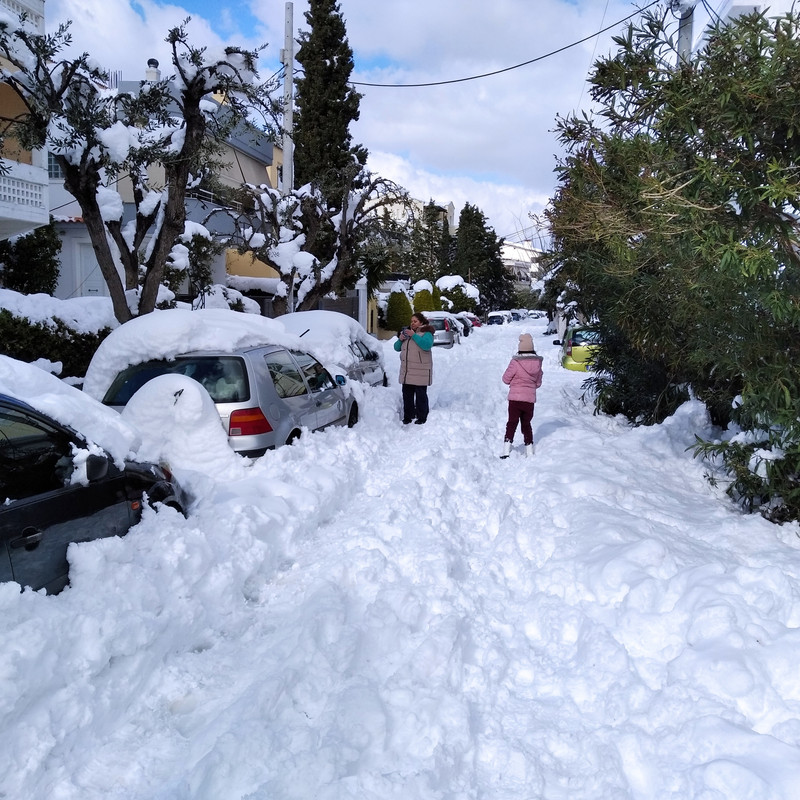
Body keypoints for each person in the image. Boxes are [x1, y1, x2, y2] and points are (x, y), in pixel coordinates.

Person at [501, 332, 543, 458]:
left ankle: (506, 450)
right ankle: (529, 450)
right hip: (529, 400)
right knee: (526, 424)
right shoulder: (537, 364)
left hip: (515, 400)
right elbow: (538, 383)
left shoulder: (515, 362)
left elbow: (505, 379)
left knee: (512, 422)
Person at [394, 312, 435, 424]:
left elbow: (426, 345)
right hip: (407, 370)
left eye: (415, 321)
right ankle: (408, 416)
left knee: (421, 395)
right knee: (407, 395)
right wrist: (400, 339)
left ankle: (422, 417)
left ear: (421, 322)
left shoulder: (426, 333)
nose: (412, 323)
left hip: (420, 371)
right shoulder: (407, 333)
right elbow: (396, 348)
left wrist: (414, 335)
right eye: (411, 321)